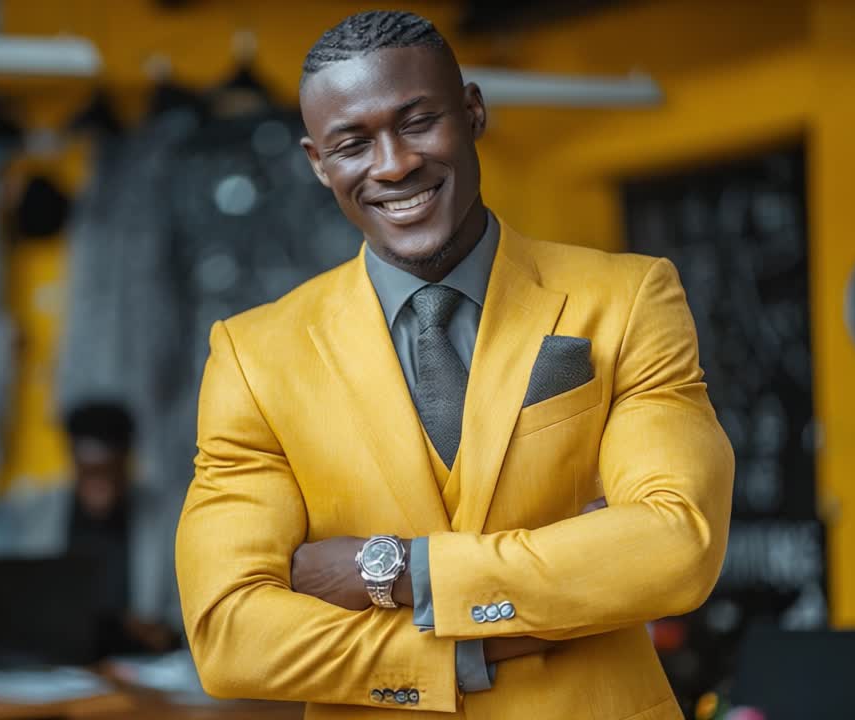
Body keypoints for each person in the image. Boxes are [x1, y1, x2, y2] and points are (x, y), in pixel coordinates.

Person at [175, 10, 734, 719]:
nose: (393, 163)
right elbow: (229, 633)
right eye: (353, 143)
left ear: (472, 112)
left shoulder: (627, 299)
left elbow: (676, 543)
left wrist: (398, 570)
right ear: (319, 163)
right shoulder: (254, 356)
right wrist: (469, 651)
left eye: (416, 122)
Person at [0, 400, 179, 654]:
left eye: (109, 471)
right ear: (73, 464)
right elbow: (17, 601)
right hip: (59, 658)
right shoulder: (38, 513)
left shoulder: (165, 518)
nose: (100, 484)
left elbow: (183, 609)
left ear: (125, 464)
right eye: (89, 471)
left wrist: (162, 630)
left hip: (142, 662)